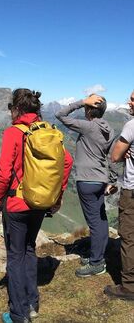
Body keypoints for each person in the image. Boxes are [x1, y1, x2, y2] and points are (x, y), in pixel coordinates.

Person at [0, 88, 73, 323]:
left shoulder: (13, 133)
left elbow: (4, 174)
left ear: (16, 109)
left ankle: (18, 314)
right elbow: (67, 162)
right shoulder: (48, 132)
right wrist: (57, 196)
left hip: (16, 205)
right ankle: (32, 304)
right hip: (41, 203)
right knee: (29, 250)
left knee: (15, 256)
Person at [55, 94, 117, 278]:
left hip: (87, 180)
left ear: (89, 109)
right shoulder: (110, 129)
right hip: (100, 180)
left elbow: (60, 114)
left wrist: (82, 101)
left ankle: (97, 263)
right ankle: (98, 254)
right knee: (101, 219)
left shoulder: (88, 126)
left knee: (94, 223)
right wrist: (112, 180)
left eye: (86, 107)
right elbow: (113, 157)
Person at [104, 90, 134, 301]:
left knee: (129, 237)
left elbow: (115, 156)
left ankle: (129, 286)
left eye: (133, 98)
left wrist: (125, 152)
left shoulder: (131, 125)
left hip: (132, 191)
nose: (129, 101)